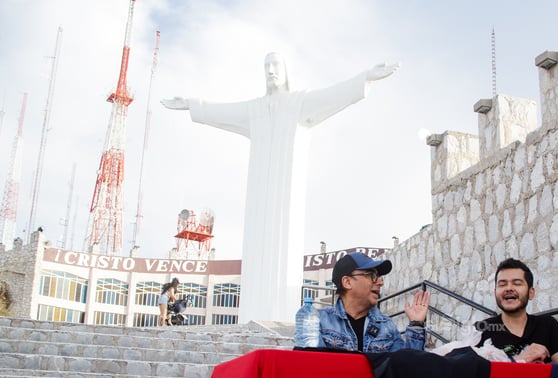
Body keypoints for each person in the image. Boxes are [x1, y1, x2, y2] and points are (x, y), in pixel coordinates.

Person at [161, 53, 399, 325]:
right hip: (258, 194)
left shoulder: (299, 103)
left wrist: (365, 77)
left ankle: (279, 317)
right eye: (266, 66)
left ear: (285, 71)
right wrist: (192, 105)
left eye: (276, 66)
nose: (271, 71)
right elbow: (220, 110)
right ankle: (248, 318)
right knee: (256, 250)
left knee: (282, 248)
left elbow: (335, 94)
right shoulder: (254, 109)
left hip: (286, 195)